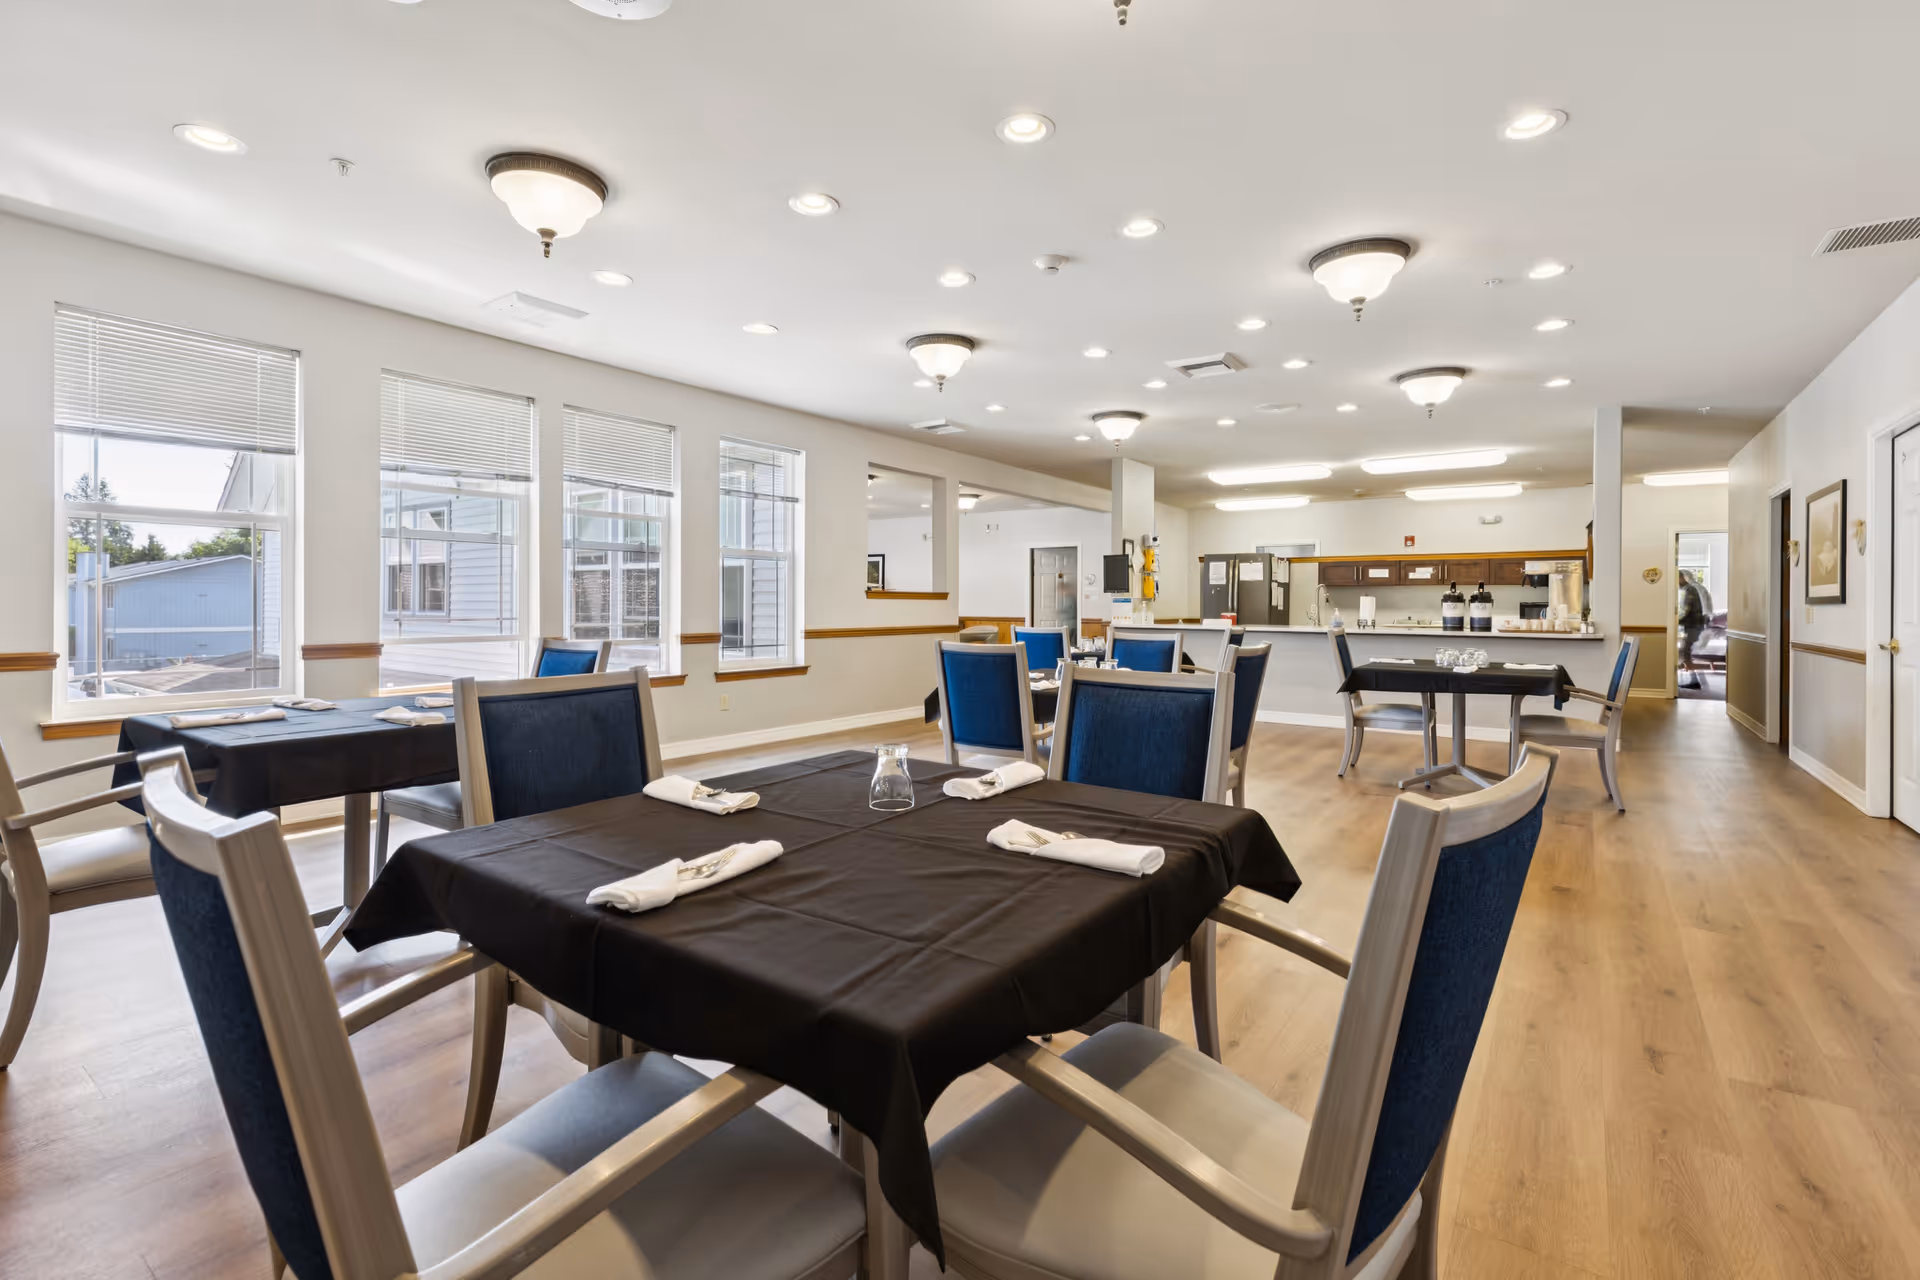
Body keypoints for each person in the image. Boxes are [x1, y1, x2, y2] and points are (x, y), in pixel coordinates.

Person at [1678, 570, 1709, 689]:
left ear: (1679, 578)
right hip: (1694, 625)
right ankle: (1691, 678)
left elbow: (1686, 610)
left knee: (1684, 652)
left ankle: (1693, 681)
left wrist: (1674, 622)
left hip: (1693, 626)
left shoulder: (1689, 590)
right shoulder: (1688, 589)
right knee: (1684, 652)